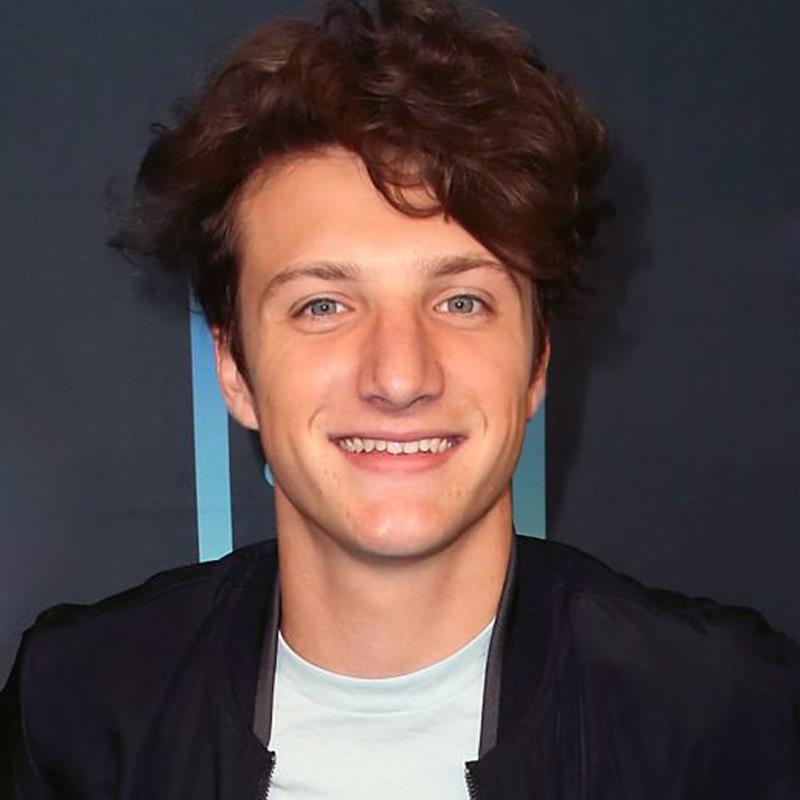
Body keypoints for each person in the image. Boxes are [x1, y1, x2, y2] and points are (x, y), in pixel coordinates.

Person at [2, 0, 798, 797]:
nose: (399, 375)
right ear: (234, 367)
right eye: (323, 305)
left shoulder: (721, 719)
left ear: (537, 361)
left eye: (462, 301)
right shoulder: (78, 712)